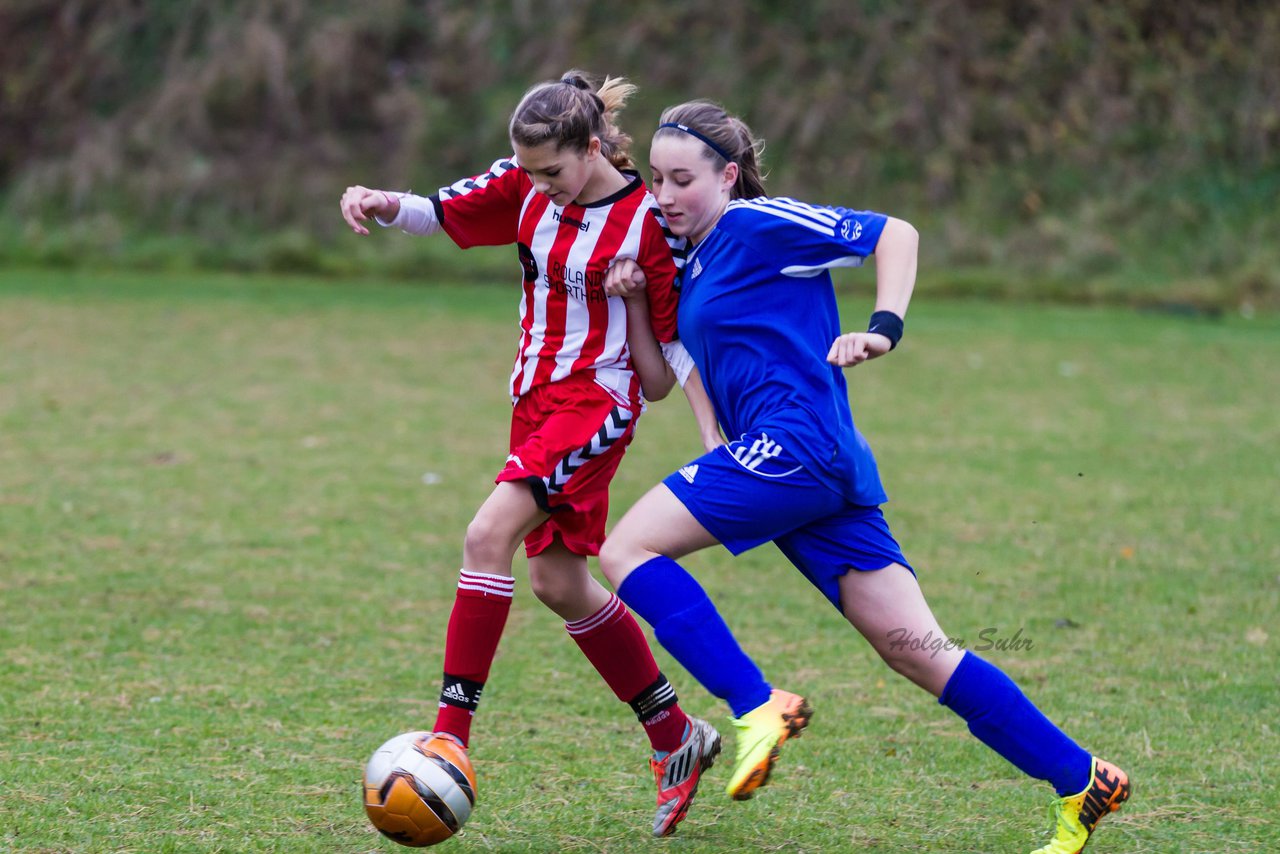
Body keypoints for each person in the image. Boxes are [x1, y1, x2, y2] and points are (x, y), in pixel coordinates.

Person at [597, 100, 1131, 853]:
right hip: (811, 468)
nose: (664, 195)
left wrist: (884, 327)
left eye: (682, 178)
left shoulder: (757, 224)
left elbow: (894, 234)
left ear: (727, 174)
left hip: (796, 448)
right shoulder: (697, 258)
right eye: (656, 179)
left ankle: (756, 706)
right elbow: (662, 376)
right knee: (916, 646)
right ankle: (1083, 780)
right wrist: (635, 306)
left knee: (625, 552)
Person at [338, 73, 724, 838]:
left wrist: (712, 436)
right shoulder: (527, 182)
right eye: (528, 171)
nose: (539, 187)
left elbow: (669, 361)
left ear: (589, 148)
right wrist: (382, 201)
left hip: (596, 402)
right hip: (534, 403)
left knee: (488, 536)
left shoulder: (649, 224)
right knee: (557, 580)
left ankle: (450, 734)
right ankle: (675, 734)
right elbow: (444, 211)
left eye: (552, 171)